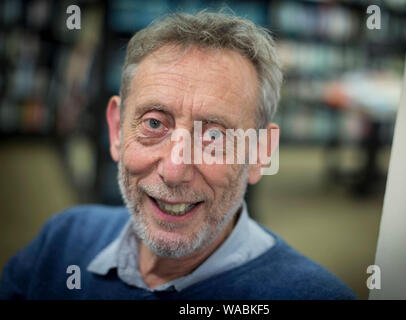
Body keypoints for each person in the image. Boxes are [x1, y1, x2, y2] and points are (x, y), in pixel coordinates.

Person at [0, 11, 356, 300]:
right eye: (154, 123)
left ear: (261, 152)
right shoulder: (61, 240)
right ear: (115, 131)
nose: (174, 170)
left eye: (214, 135)